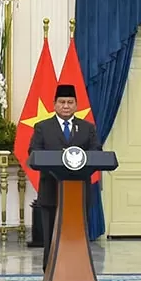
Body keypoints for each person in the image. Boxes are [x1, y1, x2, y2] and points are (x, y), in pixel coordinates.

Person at [28, 84, 101, 239]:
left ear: (76, 105)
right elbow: (34, 153)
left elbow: (96, 152)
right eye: (62, 102)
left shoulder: (87, 128)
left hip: (79, 192)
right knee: (51, 238)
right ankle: (50, 264)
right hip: (51, 191)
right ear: (54, 105)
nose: (66, 106)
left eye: (70, 102)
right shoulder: (43, 127)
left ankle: (78, 264)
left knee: (77, 237)